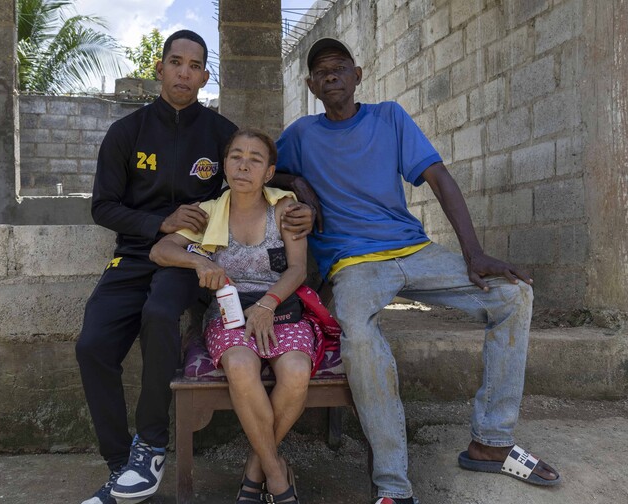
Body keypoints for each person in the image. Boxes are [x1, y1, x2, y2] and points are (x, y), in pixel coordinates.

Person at [274, 38, 562, 504]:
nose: (332, 76)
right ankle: (393, 487)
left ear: (357, 75)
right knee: (361, 339)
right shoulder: (301, 135)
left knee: (512, 295)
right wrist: (296, 180)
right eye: (322, 71)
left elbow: (438, 176)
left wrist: (474, 254)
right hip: (353, 264)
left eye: (340, 68)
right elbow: (258, 167)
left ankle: (491, 440)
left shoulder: (388, 117)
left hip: (414, 249)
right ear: (310, 85)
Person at [75, 31, 313, 504]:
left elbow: (262, 168)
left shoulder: (219, 131)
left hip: (190, 258)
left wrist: (306, 202)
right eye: (176, 63)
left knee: (161, 315)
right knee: (92, 346)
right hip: (137, 252)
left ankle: (151, 442)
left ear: (205, 75)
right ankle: (122, 462)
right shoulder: (127, 133)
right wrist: (156, 221)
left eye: (195, 65)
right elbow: (102, 206)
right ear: (160, 69)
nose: (184, 72)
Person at [151, 129, 311, 504]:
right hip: (230, 312)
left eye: (255, 158)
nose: (244, 164)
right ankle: (276, 475)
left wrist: (268, 304)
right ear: (224, 166)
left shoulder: (285, 208)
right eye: (236, 156)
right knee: (239, 363)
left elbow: (298, 270)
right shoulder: (208, 214)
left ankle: (257, 468)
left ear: (269, 173)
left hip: (280, 308)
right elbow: (160, 250)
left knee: (297, 370)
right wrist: (199, 259)